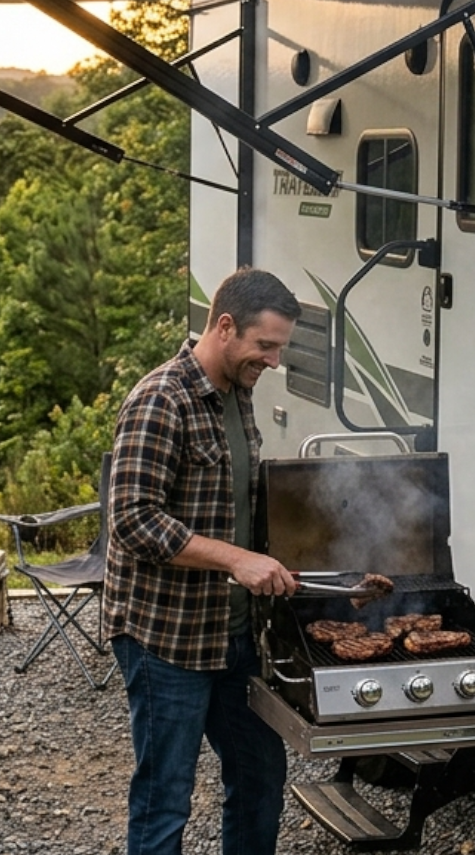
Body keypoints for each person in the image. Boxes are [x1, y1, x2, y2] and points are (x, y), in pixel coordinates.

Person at [104, 267, 303, 855]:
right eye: (265, 345)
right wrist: (235, 560)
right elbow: (132, 518)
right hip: (167, 639)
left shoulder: (237, 394)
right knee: (166, 794)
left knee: (260, 773)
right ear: (224, 326)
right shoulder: (160, 398)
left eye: (279, 349)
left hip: (233, 635)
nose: (272, 362)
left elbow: (237, 504)